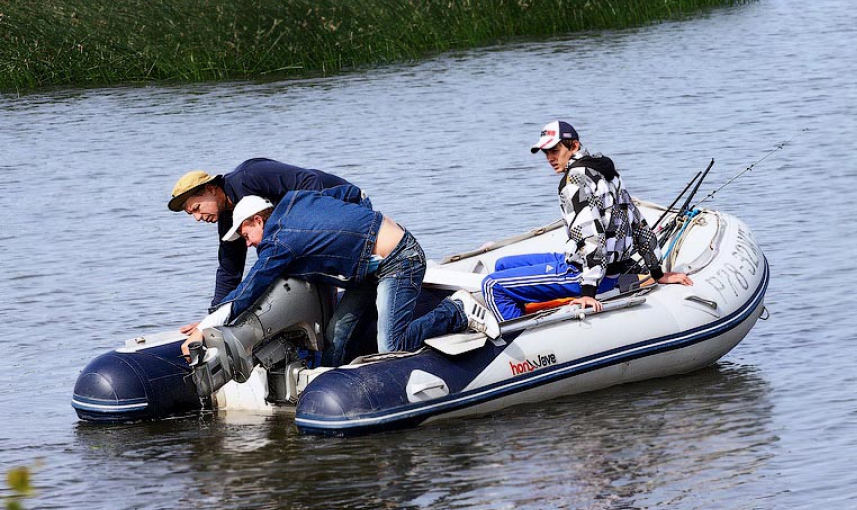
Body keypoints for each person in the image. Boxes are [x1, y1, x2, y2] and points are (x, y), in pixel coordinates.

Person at [182, 190, 500, 366]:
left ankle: (456, 311)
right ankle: (330, 376)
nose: (248, 242)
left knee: (393, 344)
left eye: (246, 233)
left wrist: (207, 325)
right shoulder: (295, 200)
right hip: (365, 269)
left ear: (257, 220)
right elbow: (345, 192)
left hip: (400, 260)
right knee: (337, 334)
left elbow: (253, 285)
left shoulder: (280, 240)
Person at [482, 120, 693, 321]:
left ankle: (521, 341)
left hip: (585, 273)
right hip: (595, 265)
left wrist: (588, 291)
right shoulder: (607, 173)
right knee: (502, 265)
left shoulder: (574, 181)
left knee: (492, 286)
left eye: (555, 151)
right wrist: (657, 272)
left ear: (573, 146)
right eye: (546, 153)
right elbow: (638, 224)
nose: (550, 158)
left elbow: (593, 238)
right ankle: (536, 310)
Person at [167, 158, 362, 332]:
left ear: (210, 189)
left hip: (347, 210)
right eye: (191, 214)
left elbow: (311, 182)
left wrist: (303, 230)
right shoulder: (228, 220)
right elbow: (229, 269)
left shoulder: (250, 176)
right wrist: (213, 319)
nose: (197, 218)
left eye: (197, 208)